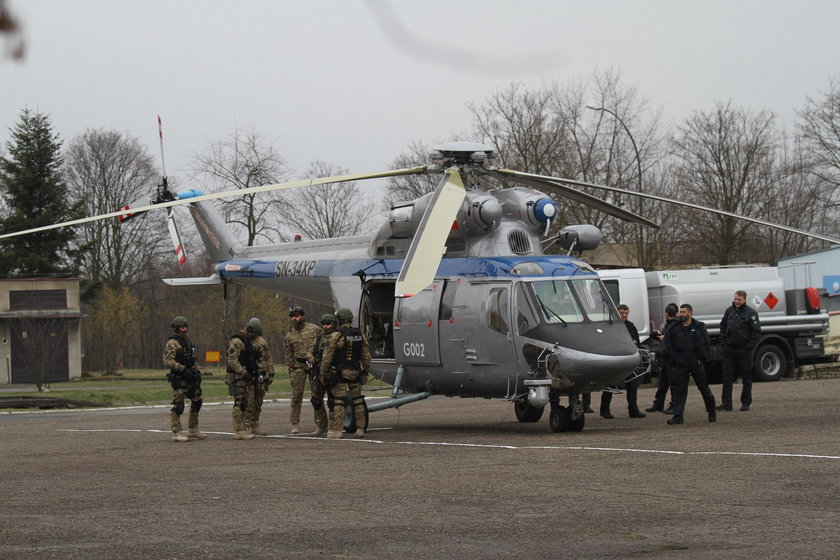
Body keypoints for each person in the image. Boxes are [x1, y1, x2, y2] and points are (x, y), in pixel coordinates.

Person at [319, 308, 371, 439]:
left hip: (340, 372)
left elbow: (327, 357)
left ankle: (337, 431)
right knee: (358, 400)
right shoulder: (359, 334)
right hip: (355, 371)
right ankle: (360, 429)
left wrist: (322, 373)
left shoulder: (336, 335)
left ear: (339, 320)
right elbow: (366, 356)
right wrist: (365, 371)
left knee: (339, 401)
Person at [663, 303, 717, 425]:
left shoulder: (699, 326)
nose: (681, 314)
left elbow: (706, 343)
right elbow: (667, 344)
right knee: (680, 391)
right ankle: (678, 416)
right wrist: (676, 358)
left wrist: (702, 358)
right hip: (681, 362)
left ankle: (711, 411)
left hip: (695, 362)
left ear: (690, 313)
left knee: (704, 388)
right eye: (680, 312)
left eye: (683, 312)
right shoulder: (674, 327)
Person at [598, 304, 646, 419]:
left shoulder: (631, 326)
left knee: (632, 385)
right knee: (611, 385)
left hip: (630, 359)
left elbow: (637, 343)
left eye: (626, 313)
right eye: (622, 313)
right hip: (616, 359)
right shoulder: (611, 326)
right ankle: (604, 410)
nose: (624, 315)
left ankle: (633, 410)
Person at [163, 316, 206, 442]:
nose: (185, 329)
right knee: (178, 405)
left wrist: (196, 371)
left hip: (191, 376)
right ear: (176, 328)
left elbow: (191, 358)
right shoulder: (172, 343)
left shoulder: (187, 340)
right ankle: (177, 432)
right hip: (179, 377)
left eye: (186, 326)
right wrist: (181, 368)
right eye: (182, 327)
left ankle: (193, 429)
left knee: (197, 401)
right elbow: (167, 361)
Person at [717, 290, 761, 412]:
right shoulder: (729, 311)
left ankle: (745, 403)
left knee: (746, 377)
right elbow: (723, 326)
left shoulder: (750, 313)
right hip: (729, 349)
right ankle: (726, 403)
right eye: (735, 299)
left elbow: (756, 332)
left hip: (743, 350)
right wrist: (723, 343)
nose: (736, 301)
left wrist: (748, 347)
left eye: (739, 299)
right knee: (727, 376)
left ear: (744, 300)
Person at [283, 305, 322, 434]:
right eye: (292, 316)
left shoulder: (315, 329)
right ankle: (295, 423)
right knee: (296, 396)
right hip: (298, 366)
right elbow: (288, 354)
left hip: (313, 366)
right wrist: (291, 369)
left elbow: (323, 345)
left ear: (302, 316)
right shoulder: (289, 335)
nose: (294, 318)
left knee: (316, 395)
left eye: (297, 316)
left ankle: (319, 424)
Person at [226, 317, 265, 440]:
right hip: (237, 376)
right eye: (255, 336)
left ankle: (243, 428)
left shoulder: (247, 342)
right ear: (250, 332)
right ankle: (239, 430)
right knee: (239, 402)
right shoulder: (237, 341)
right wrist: (243, 373)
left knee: (246, 402)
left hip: (244, 376)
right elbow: (232, 360)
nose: (255, 339)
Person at [645, 303, 680, 414]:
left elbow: (669, 340)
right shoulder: (675, 324)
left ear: (666, 313)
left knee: (670, 382)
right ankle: (659, 403)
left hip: (670, 357)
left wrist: (662, 338)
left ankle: (672, 405)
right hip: (669, 357)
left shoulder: (672, 325)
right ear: (677, 313)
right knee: (664, 382)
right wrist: (660, 334)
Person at [308, 313, 338, 437]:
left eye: (328, 324)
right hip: (318, 372)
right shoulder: (319, 339)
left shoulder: (337, 337)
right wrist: (310, 357)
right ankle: (322, 426)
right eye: (324, 324)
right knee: (316, 400)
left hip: (332, 374)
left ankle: (333, 426)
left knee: (333, 401)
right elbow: (310, 351)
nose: (325, 326)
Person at [248, 318, 275, 435]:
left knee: (258, 401)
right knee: (249, 401)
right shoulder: (244, 341)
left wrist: (271, 372)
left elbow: (268, 357)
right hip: (249, 374)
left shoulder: (262, 342)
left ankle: (255, 424)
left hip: (261, 375)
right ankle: (246, 425)